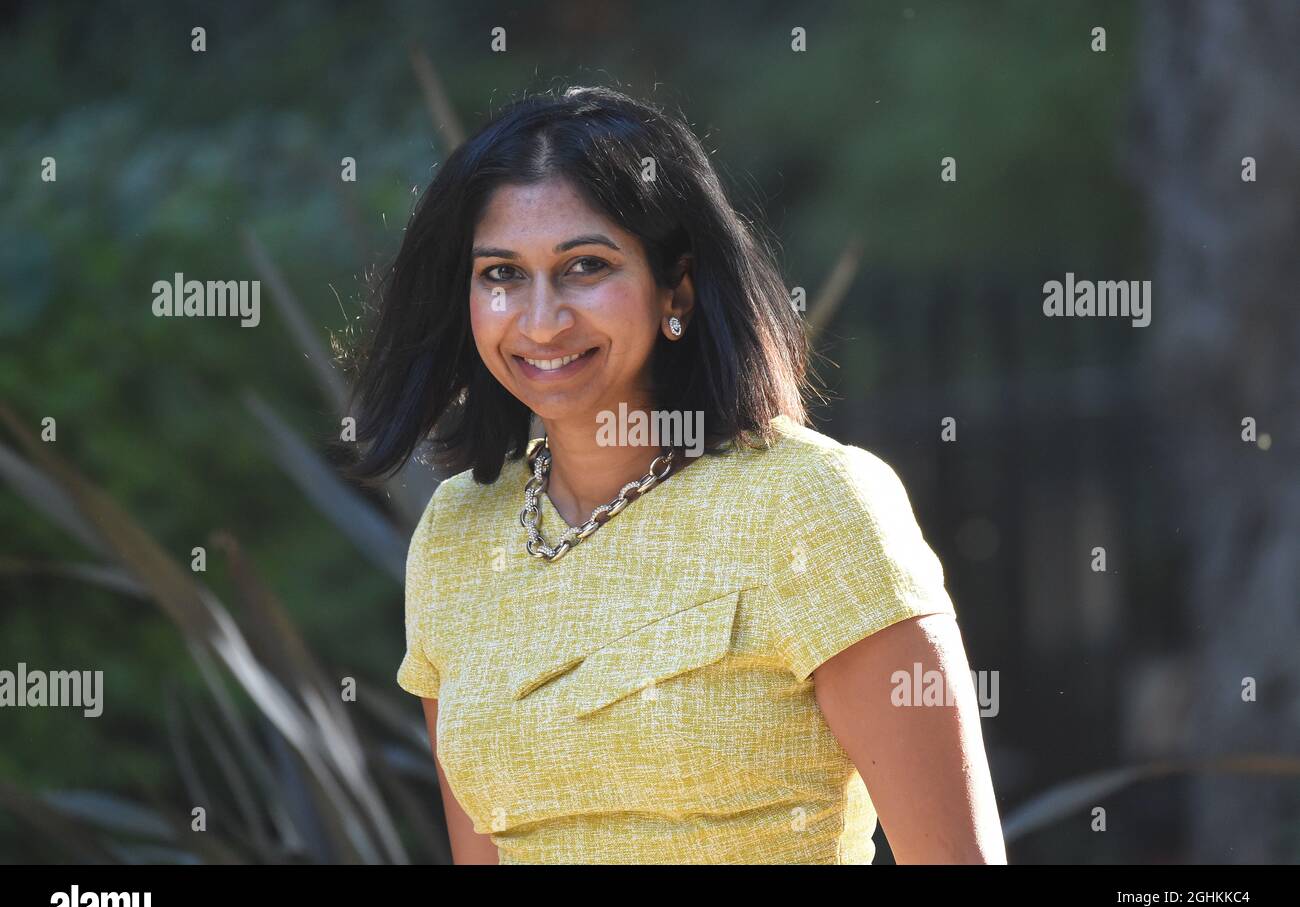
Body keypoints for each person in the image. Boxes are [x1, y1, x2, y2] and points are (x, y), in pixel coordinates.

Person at [342, 85, 1005, 864]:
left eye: (585, 266)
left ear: (676, 287)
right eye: (501, 275)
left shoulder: (811, 505)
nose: (542, 317)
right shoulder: (457, 533)